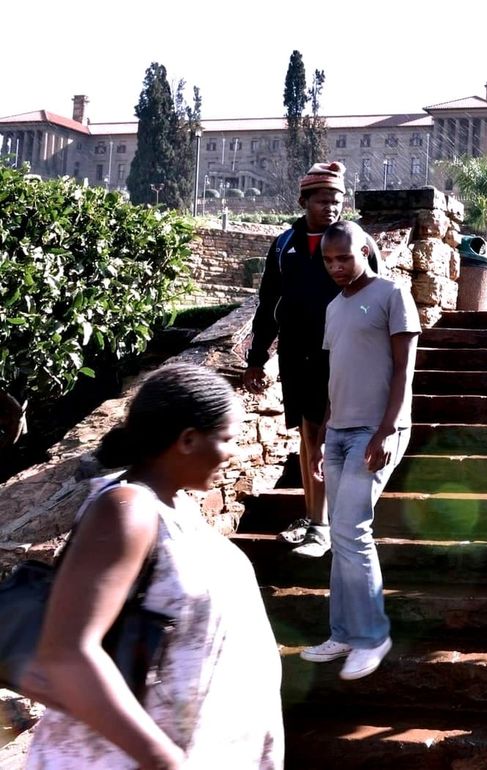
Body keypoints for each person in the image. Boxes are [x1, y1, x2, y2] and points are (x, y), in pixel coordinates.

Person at [24, 363, 283, 769]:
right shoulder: (127, 509)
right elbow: (67, 652)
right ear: (187, 439)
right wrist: (163, 760)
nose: (233, 453)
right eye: (228, 439)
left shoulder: (179, 511)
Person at [300, 221, 420, 680]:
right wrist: (325, 433)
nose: (335, 267)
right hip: (340, 432)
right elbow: (338, 374)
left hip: (377, 428)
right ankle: (344, 632)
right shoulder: (334, 307)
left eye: (344, 258)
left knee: (353, 530)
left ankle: (372, 635)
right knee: (340, 535)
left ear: (366, 250)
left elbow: (404, 372)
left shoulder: (393, 294)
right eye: (329, 261)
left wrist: (388, 430)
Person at [243, 160, 375, 558]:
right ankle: (318, 523)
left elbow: (377, 295)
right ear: (304, 201)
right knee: (308, 435)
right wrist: (256, 356)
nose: (330, 207)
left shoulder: (358, 241)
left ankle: (343, 521)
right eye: (321, 200)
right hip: (298, 355)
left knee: (341, 437)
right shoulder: (284, 245)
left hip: (345, 356)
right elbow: (269, 303)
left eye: (336, 200)